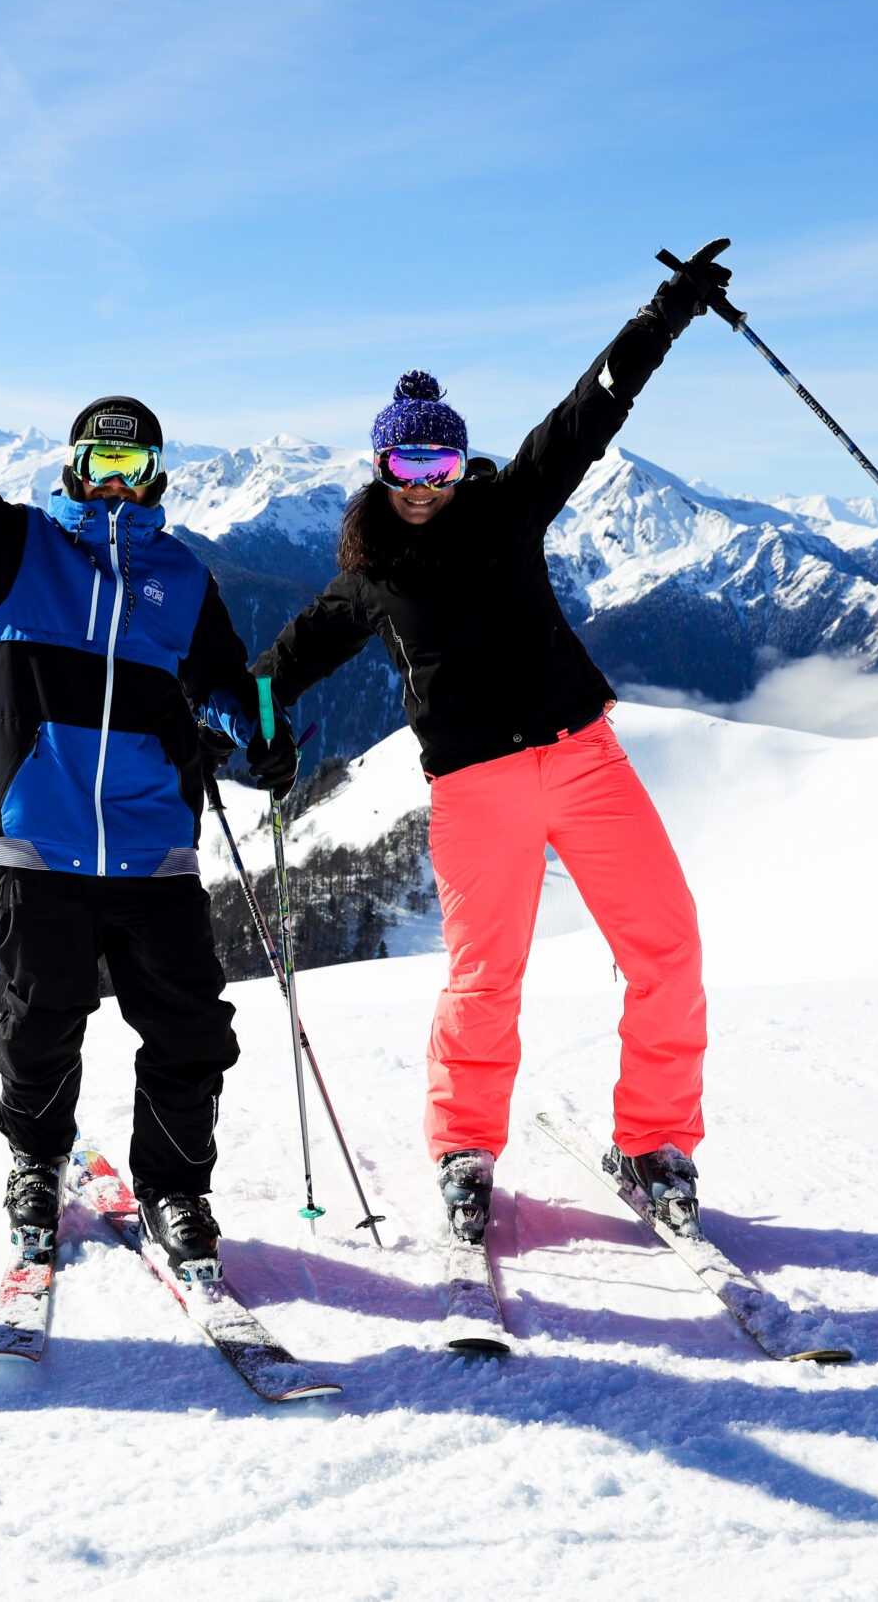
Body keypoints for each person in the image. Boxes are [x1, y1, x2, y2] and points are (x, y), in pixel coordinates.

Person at [253, 241, 738, 1250]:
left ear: (457, 461)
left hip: (582, 758)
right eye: (402, 464)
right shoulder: (370, 575)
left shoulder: (512, 506)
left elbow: (590, 411)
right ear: (378, 468)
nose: (421, 482)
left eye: (435, 462)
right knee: (485, 980)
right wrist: (234, 721)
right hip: (475, 792)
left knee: (667, 947)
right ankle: (464, 1150)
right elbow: (284, 664)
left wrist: (667, 311)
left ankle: (654, 1145)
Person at [0, 258, 295, 1280]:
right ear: (71, 468)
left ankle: (177, 1188)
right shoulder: (16, 554)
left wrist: (259, 738)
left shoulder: (181, 576)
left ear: (155, 476)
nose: (115, 482)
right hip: (43, 842)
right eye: (99, 463)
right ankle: (33, 1162)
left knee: (192, 1028)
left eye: (132, 466)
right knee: (42, 1024)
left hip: (153, 849)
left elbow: (226, 687)